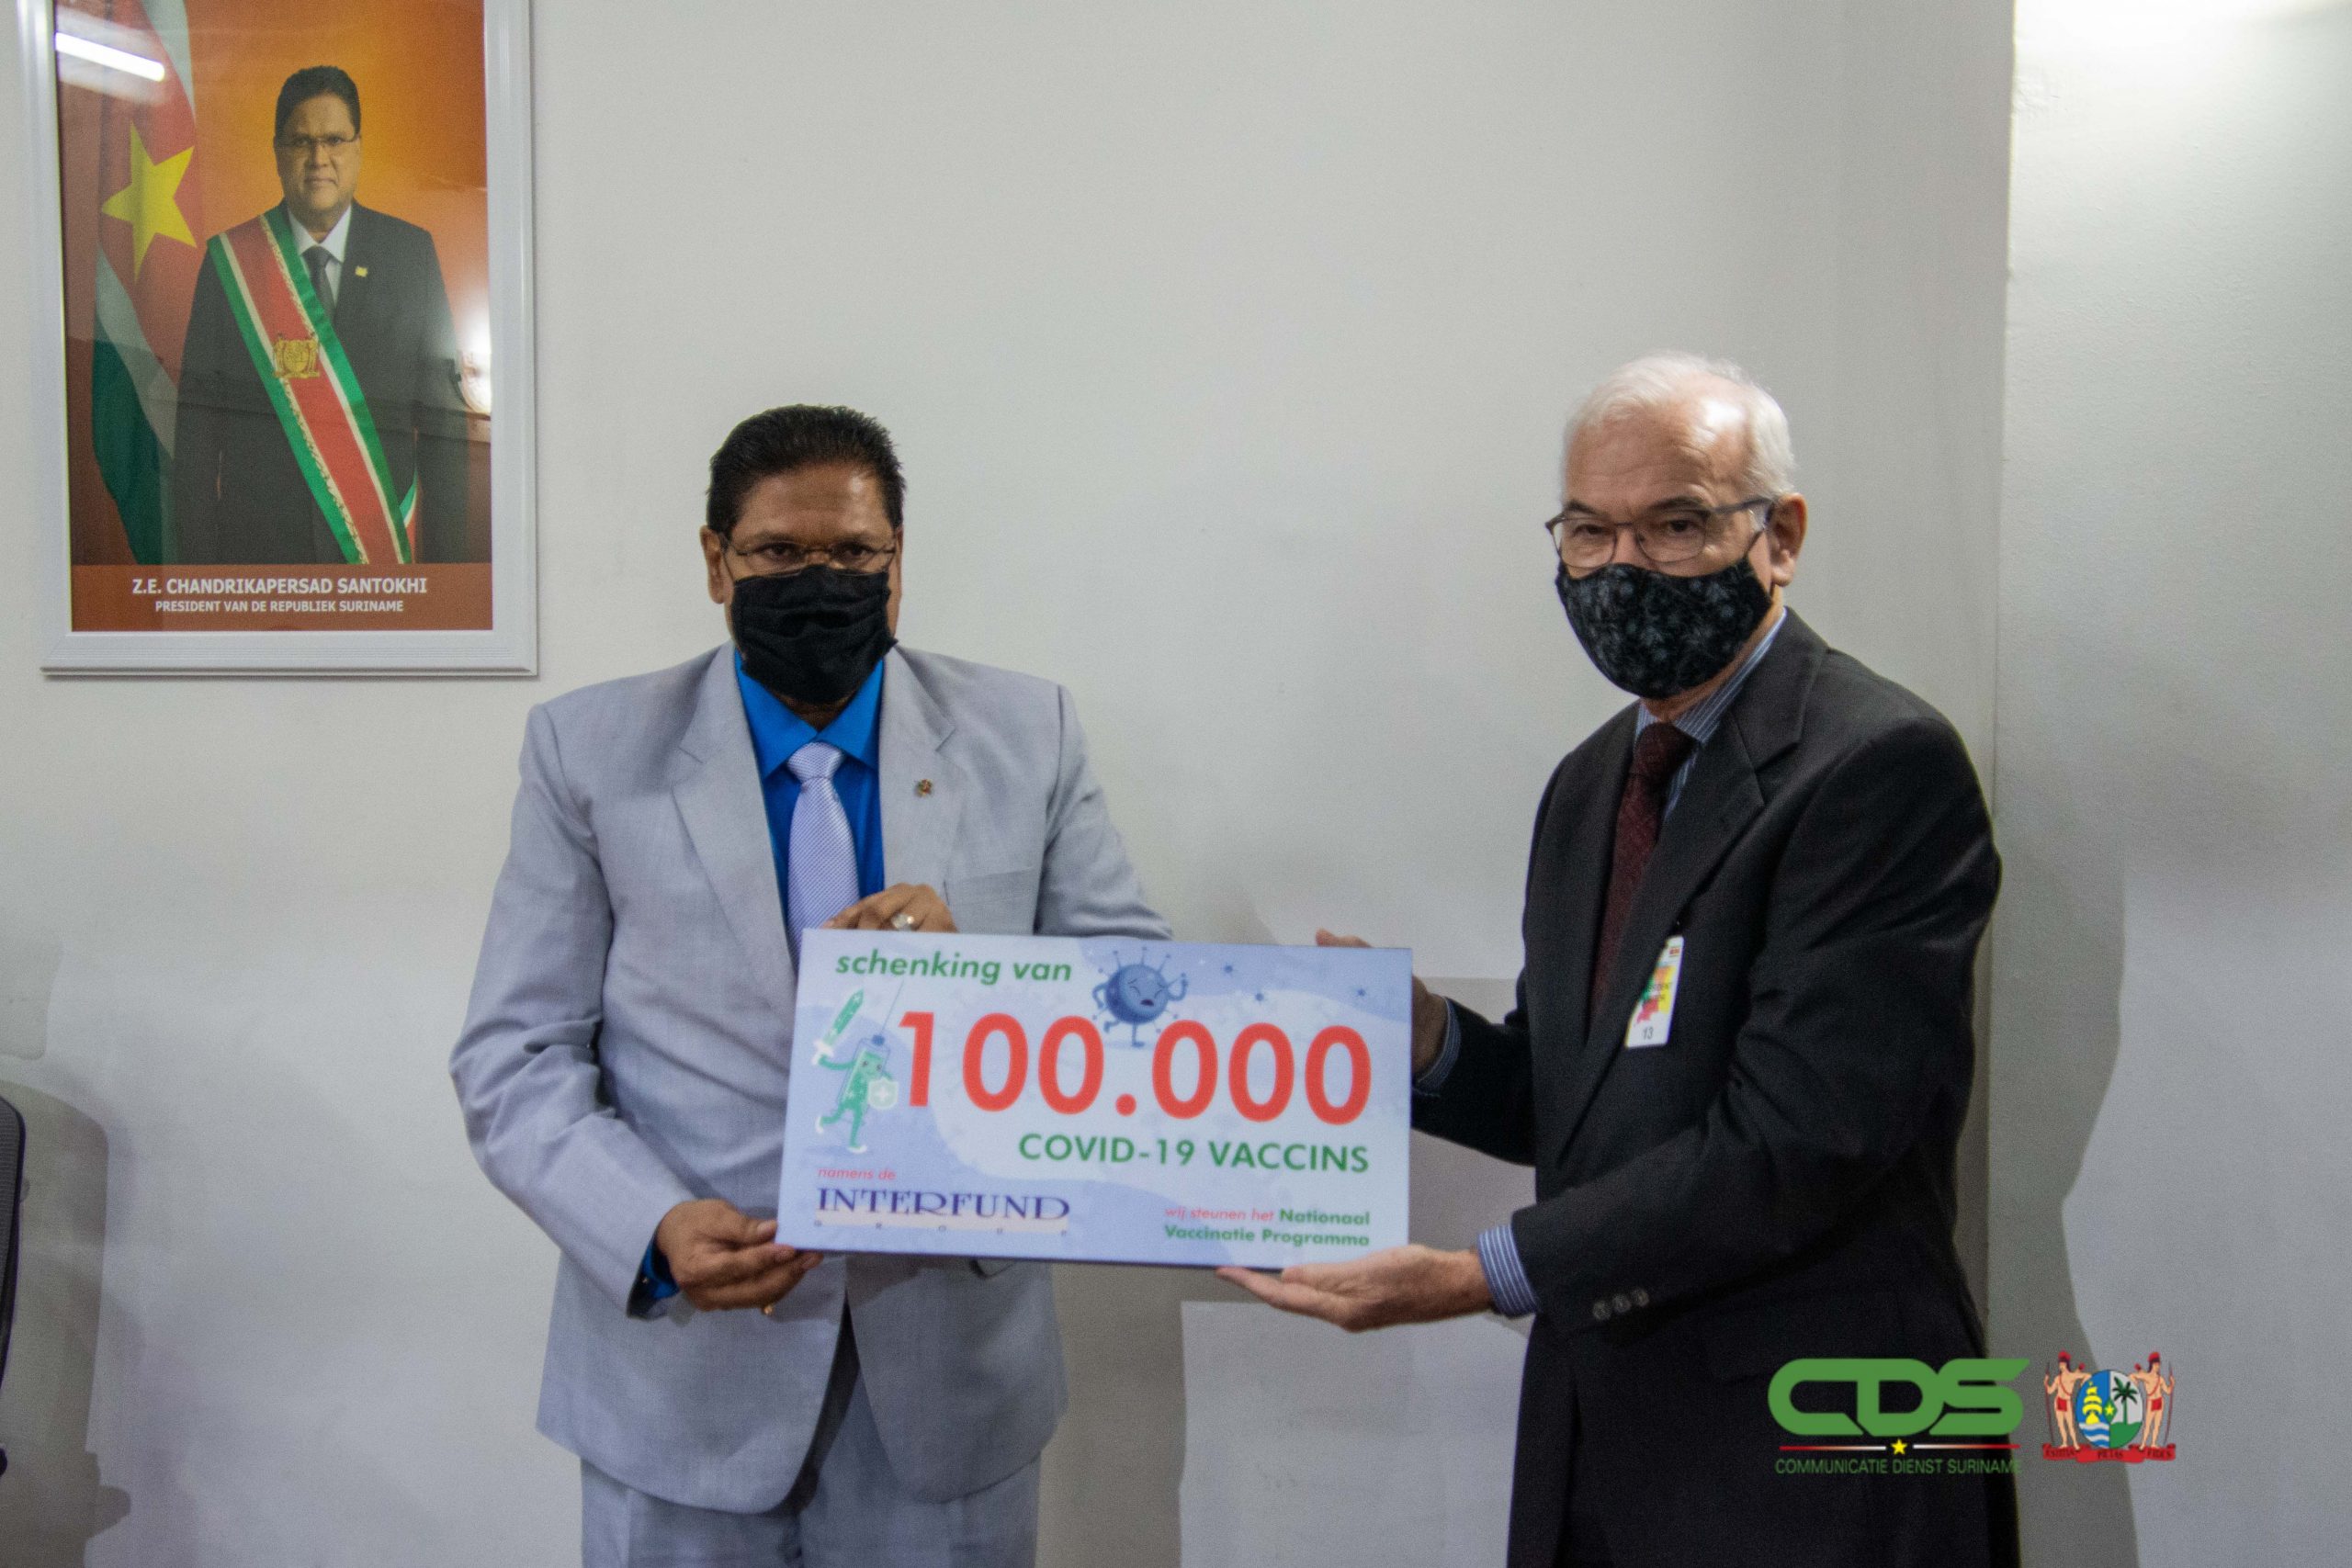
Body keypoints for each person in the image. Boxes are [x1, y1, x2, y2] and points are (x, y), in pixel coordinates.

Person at [1221, 354, 2014, 1567]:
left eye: (1675, 525)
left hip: (1821, 1453)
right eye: (1589, 531)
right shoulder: (1592, 782)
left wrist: (1481, 1271)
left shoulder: (1877, 765)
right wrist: (1428, 1045)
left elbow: (1798, 1137)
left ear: (1780, 537)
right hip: (1601, 1439)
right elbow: (1585, 1099)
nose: (1621, 567)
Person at [451, 405, 1166, 1567]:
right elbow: (514, 1054)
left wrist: (983, 984)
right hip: (680, 1378)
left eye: (853, 553)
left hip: (949, 1372)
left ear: (899, 561)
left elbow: (1139, 1005)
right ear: (715, 560)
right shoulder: (588, 751)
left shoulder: (1027, 733)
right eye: (779, 552)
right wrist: (649, 1226)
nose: (819, 582)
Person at [172, 65, 471, 564]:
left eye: (334, 140)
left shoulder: (410, 256)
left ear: (358, 148)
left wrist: (446, 580)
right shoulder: (231, 262)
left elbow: (444, 437)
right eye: (301, 141)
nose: (318, 159)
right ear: (277, 153)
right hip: (260, 564)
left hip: (376, 562)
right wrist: (202, 580)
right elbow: (197, 441)